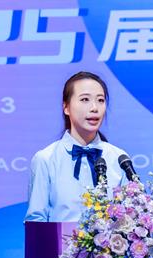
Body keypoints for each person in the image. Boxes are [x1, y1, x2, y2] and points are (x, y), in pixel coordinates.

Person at [25, 72, 128, 222]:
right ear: (66, 107)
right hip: (60, 239)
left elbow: (130, 219)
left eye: (100, 100)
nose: (94, 108)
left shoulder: (119, 158)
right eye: (85, 99)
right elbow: (36, 221)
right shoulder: (46, 159)